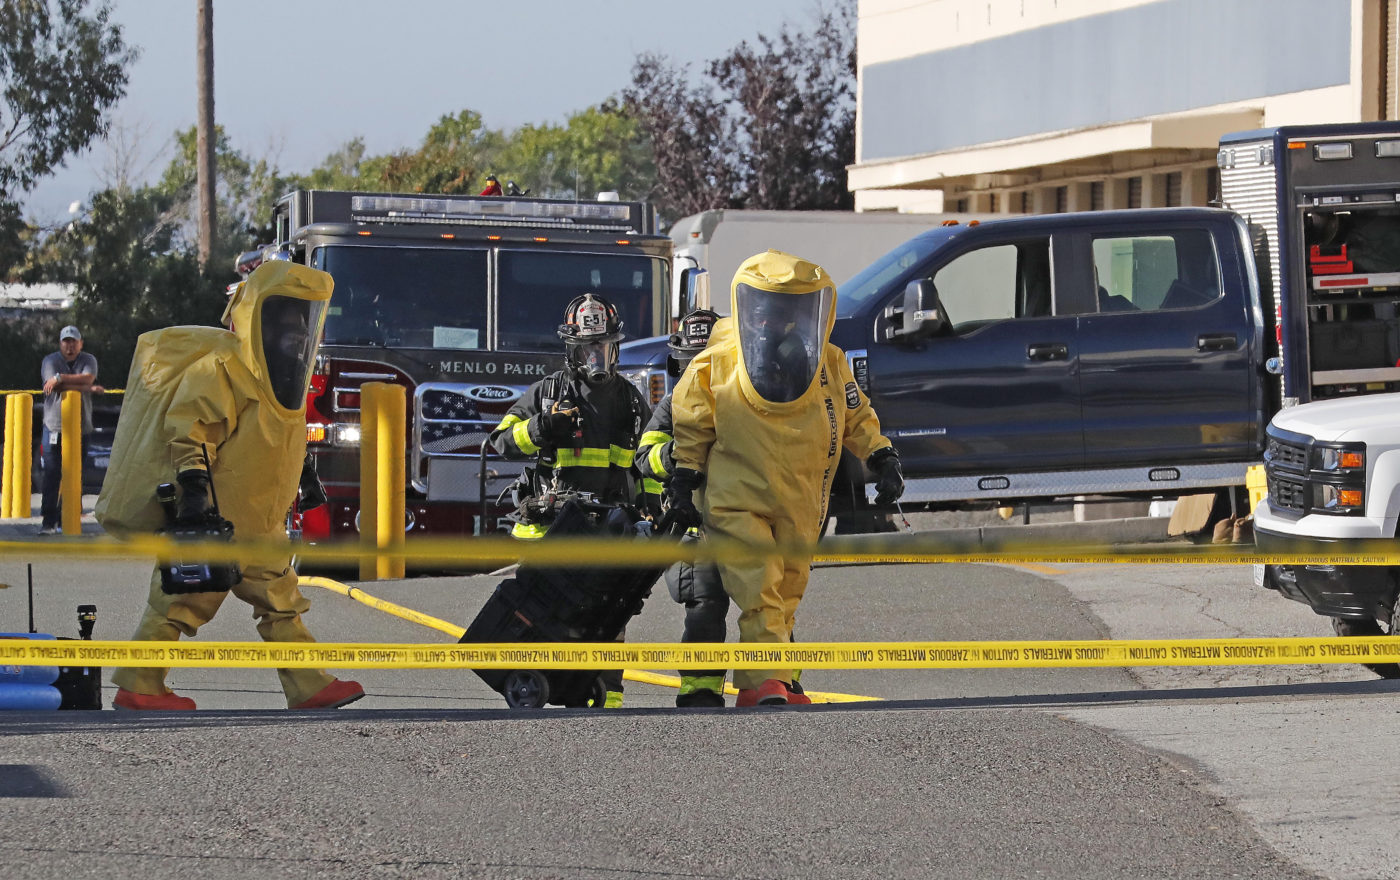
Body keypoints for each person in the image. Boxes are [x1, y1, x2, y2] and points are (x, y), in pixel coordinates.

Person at [95, 261, 364, 711]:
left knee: (280, 600)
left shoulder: (286, 380)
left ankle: (309, 685)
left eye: (304, 323)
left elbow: (278, 437)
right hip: (223, 519)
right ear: (259, 319)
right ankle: (140, 684)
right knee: (182, 599)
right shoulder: (223, 368)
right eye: (287, 322)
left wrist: (305, 477)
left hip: (258, 521)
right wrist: (196, 494)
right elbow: (189, 430)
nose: (298, 334)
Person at [667, 250, 905, 707]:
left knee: (787, 587)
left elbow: (857, 414)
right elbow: (691, 424)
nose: (778, 327)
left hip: (802, 500)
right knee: (761, 586)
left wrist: (882, 457)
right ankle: (764, 683)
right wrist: (682, 480)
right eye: (770, 315)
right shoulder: (715, 363)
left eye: (788, 315)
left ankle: (769, 683)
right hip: (738, 499)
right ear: (750, 311)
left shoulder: (828, 363)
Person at [488, 293, 651, 708]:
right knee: (543, 611)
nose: (598, 357)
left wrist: (652, 514)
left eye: (605, 347)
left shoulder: (631, 403)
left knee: (610, 616)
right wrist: (542, 427)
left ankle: (606, 695)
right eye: (588, 349)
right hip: (549, 527)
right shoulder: (547, 394)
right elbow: (501, 442)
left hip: (608, 528)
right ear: (572, 350)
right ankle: (535, 682)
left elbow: (647, 466)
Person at [633, 308, 726, 707]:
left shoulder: (748, 402)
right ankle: (699, 688)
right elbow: (645, 457)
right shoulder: (672, 406)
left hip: (748, 522)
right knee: (705, 600)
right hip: (694, 528)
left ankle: (776, 683)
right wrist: (677, 454)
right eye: (692, 364)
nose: (699, 373)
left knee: (767, 602)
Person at [38, 325, 103, 535]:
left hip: (81, 429)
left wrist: (61, 378)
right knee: (52, 474)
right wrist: (86, 388)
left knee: (75, 475)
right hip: (54, 426)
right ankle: (48, 521)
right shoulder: (50, 360)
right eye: (66, 341)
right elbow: (52, 386)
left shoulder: (88, 359)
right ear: (60, 343)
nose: (70, 345)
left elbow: (88, 378)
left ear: (81, 343)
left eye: (74, 341)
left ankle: (65, 517)